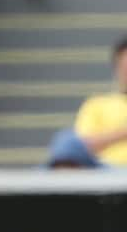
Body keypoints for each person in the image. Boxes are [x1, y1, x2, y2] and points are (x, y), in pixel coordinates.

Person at [47, 35, 127, 169]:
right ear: (117, 69)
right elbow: (81, 147)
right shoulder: (98, 104)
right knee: (65, 140)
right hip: (104, 171)